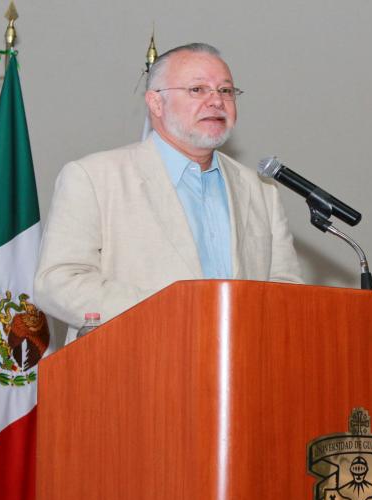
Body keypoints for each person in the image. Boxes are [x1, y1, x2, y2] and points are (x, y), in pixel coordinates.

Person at [34, 42, 302, 339]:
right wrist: (170, 311)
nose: (216, 101)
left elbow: (286, 290)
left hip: (242, 368)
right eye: (198, 89)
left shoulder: (260, 189)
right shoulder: (95, 177)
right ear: (156, 103)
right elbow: (57, 283)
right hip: (135, 365)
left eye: (225, 91)